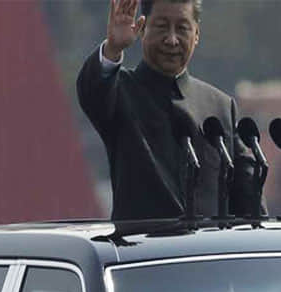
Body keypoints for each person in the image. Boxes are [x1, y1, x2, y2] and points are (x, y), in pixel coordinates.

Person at [77, 0, 257, 221]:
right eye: (162, 27)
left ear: (196, 34)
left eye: (182, 28)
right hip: (140, 242)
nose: (172, 40)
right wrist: (112, 49)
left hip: (210, 243)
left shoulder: (220, 107)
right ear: (142, 29)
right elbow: (92, 91)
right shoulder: (120, 91)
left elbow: (250, 203)